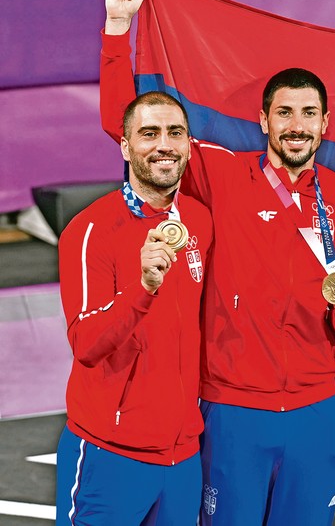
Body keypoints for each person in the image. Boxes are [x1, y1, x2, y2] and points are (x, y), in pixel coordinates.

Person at [100, 0, 335, 525]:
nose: (297, 126)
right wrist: (116, 30)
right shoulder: (219, 174)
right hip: (232, 409)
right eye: (285, 113)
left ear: (324, 126)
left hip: (317, 408)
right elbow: (126, 129)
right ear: (264, 120)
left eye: (310, 114)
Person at [56, 91, 213, 524]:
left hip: (182, 455)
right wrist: (143, 288)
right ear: (125, 146)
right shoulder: (91, 230)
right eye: (149, 133)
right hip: (111, 452)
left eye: (175, 133)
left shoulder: (199, 220)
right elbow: (86, 343)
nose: (164, 144)